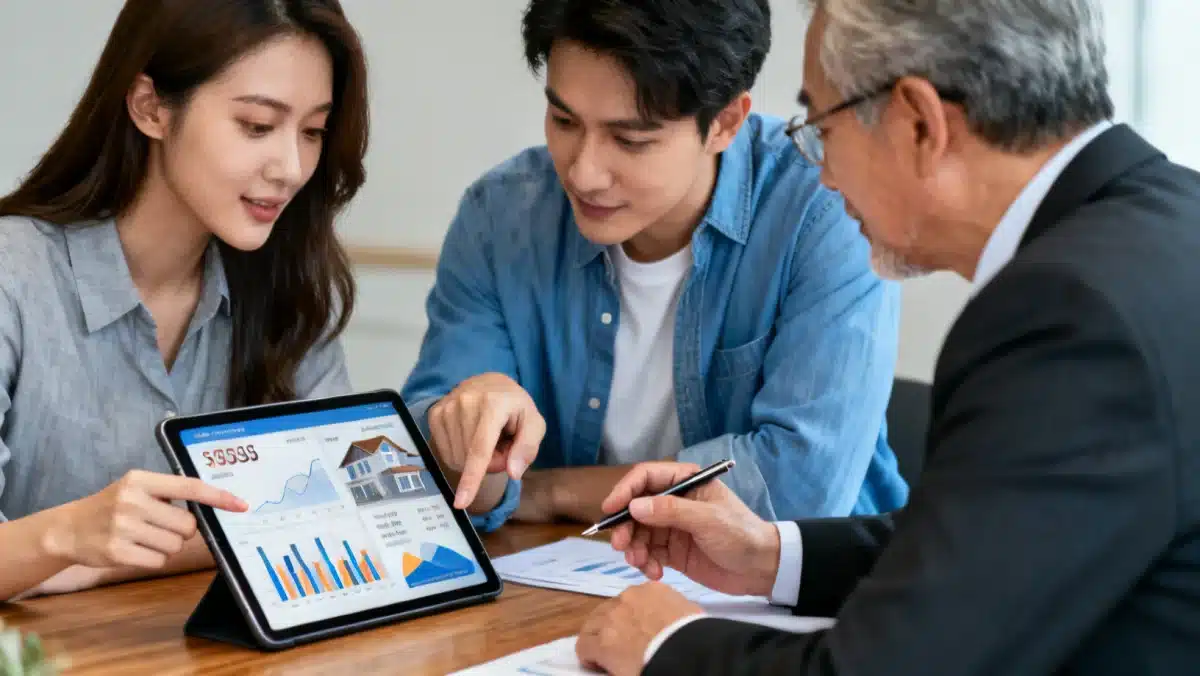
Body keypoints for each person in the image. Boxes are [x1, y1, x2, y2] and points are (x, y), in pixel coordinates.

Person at [574, 0, 1200, 674]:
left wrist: (667, 645)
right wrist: (770, 557)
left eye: (820, 127)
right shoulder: (1169, 218)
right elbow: (1000, 545)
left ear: (919, 123)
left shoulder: (1063, 313)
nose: (821, 171)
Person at [401, 0, 906, 534]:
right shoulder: (499, 217)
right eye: (563, 120)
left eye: (630, 140)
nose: (585, 172)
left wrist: (552, 492)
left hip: (812, 599)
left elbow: (802, 486)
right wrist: (468, 437)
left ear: (725, 123)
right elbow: (438, 473)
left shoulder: (824, 207)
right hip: (565, 582)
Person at [0, 0, 369, 601]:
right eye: (256, 125)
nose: (292, 167)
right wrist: (66, 534)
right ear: (150, 107)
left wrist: (95, 565)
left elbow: (336, 511)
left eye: (312, 132)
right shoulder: (13, 275)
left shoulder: (292, 283)